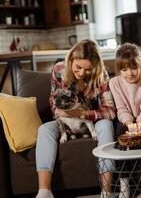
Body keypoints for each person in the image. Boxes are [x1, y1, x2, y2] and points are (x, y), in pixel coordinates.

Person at [35, 39, 116, 198]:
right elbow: (53, 99)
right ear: (71, 58)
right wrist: (60, 112)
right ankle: (44, 191)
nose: (82, 73)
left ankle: (107, 191)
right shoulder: (59, 69)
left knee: (106, 125)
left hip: (91, 120)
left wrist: (82, 114)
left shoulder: (101, 74)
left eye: (88, 70)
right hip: (65, 121)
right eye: (78, 67)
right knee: (44, 129)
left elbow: (110, 111)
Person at [109, 43, 141, 198]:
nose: (129, 73)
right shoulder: (115, 83)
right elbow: (121, 108)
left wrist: (139, 124)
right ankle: (124, 187)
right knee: (120, 136)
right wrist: (129, 124)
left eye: (133, 68)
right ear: (119, 70)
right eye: (124, 69)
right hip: (125, 121)